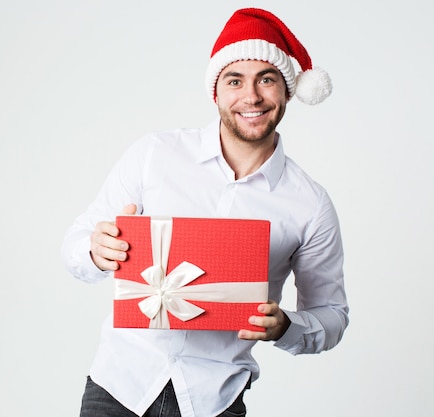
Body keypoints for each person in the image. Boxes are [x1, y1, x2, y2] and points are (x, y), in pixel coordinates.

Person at [62, 7, 348, 417]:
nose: (251, 97)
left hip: (215, 399)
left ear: (287, 91)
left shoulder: (310, 204)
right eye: (235, 81)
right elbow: (75, 242)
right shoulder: (153, 155)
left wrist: (288, 327)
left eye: (266, 79)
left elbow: (332, 315)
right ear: (216, 92)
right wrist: (95, 249)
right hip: (120, 385)